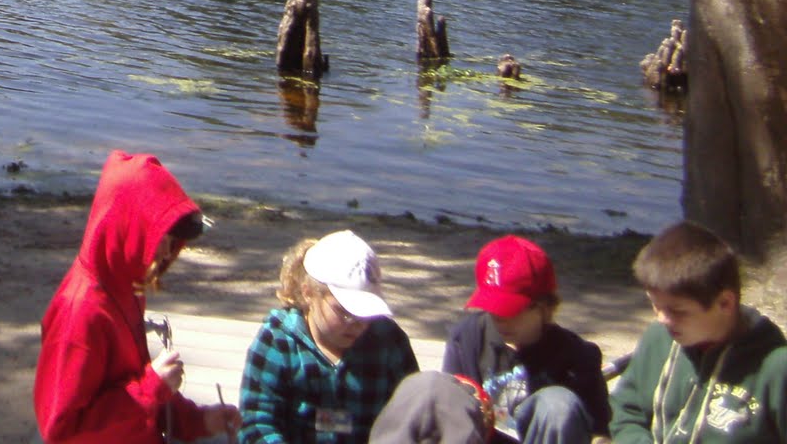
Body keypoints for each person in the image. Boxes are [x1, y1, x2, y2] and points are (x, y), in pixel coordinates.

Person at [34, 150, 239, 443]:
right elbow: (62, 431)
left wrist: (197, 420)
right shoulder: (79, 314)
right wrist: (152, 386)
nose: (168, 252)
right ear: (127, 230)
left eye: (172, 241)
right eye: (160, 239)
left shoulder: (124, 286)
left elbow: (134, 384)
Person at [609, 220, 787, 444]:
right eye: (656, 306)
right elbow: (625, 411)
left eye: (677, 311)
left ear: (725, 303)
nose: (662, 318)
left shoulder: (775, 367)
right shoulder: (659, 340)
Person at [239, 229, 420, 444]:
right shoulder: (278, 340)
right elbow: (256, 422)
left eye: (365, 313)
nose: (357, 323)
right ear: (308, 293)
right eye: (343, 311)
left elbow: (412, 416)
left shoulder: (389, 342)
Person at [441, 235, 608, 444]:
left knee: (558, 404)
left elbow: (599, 433)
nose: (500, 320)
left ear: (544, 307)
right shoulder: (466, 338)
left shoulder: (577, 357)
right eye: (492, 310)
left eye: (509, 311)